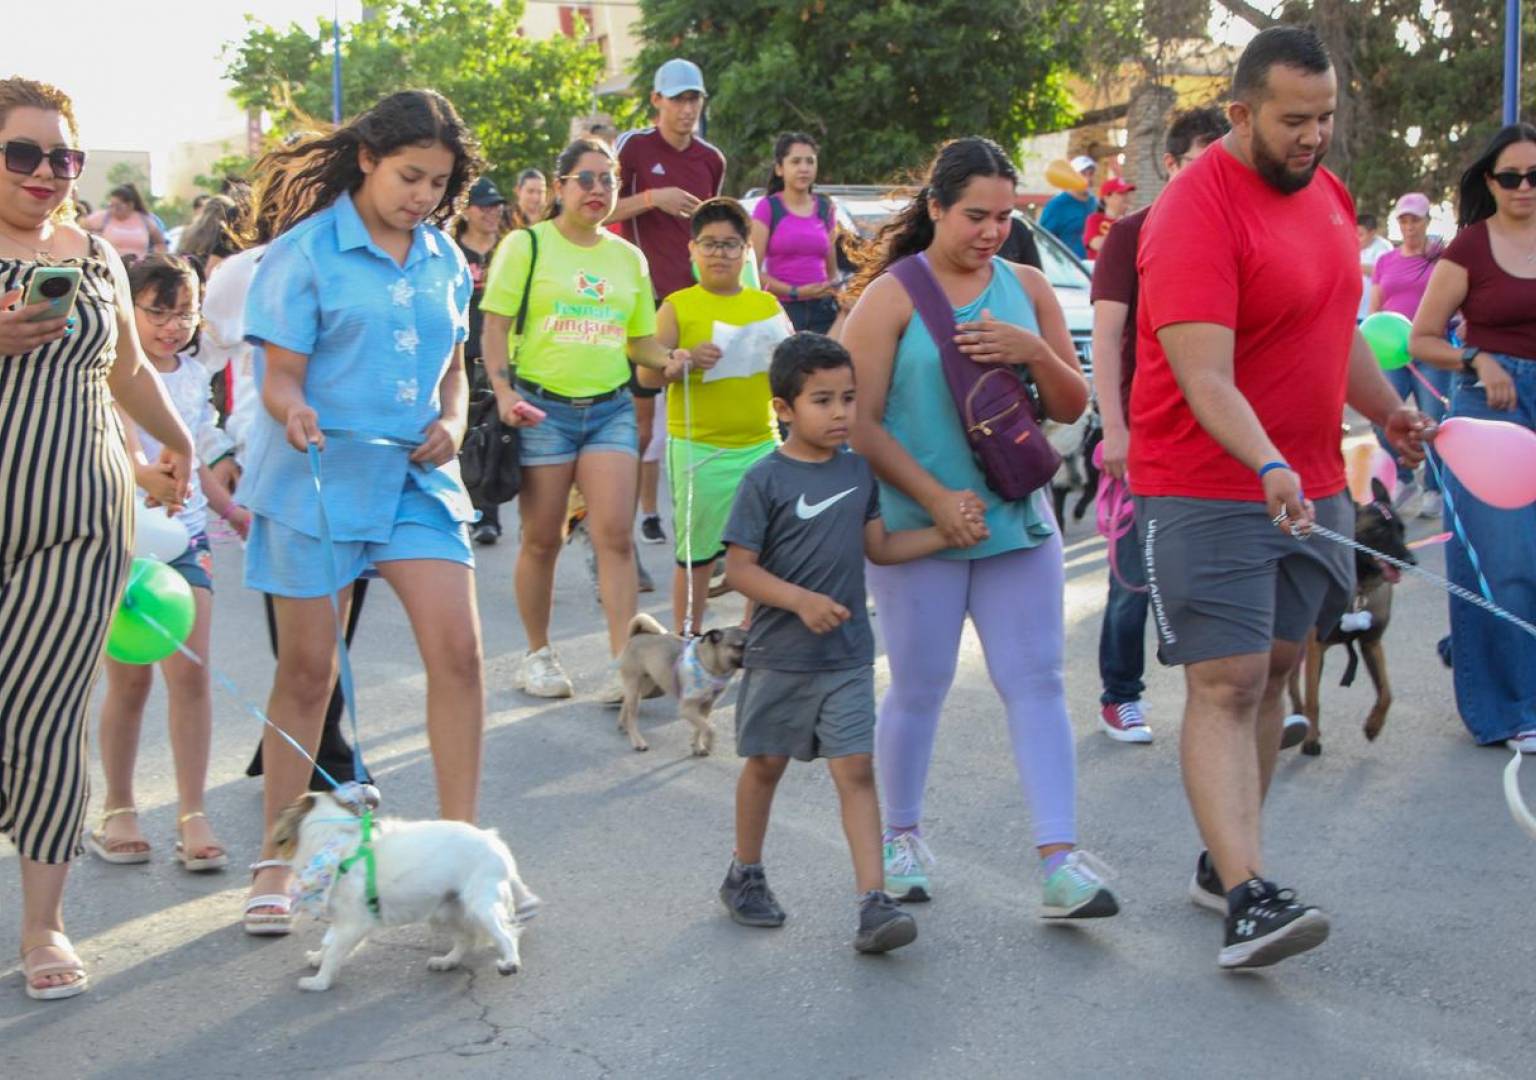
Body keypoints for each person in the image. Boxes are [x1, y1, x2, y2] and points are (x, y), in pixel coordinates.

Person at [1132, 27, 1430, 968]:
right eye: (1295, 120)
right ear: (1240, 113)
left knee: (1273, 668)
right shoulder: (1194, 212)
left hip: (1308, 483)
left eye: (1327, 117)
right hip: (1211, 484)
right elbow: (1204, 375)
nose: (1315, 137)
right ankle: (1251, 895)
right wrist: (1268, 465)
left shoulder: (1329, 196)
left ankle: (1227, 864)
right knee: (1225, 683)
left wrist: (1386, 413)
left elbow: (1334, 324)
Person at [843, 136, 1119, 920]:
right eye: (975, 215)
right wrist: (933, 499)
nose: (991, 231)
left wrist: (1034, 349)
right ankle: (900, 842)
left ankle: (1060, 863)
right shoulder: (893, 296)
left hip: (1016, 525)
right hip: (918, 530)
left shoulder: (1026, 287)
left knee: (1036, 684)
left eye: (1003, 216)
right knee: (919, 686)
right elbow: (856, 423)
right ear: (935, 208)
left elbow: (1072, 408)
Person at [238, 89, 487, 935]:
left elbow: (455, 371)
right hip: (318, 474)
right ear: (368, 160)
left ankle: (459, 859)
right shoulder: (305, 254)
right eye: (409, 176)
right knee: (307, 675)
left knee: (458, 654)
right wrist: (291, 410)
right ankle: (276, 861)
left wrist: (452, 422)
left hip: (415, 480)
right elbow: (280, 377)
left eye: (438, 183)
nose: (422, 196)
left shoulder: (446, 258)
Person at [0, 76, 194, 1000]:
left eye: (63, 157)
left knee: (41, 719)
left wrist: (179, 436)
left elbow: (122, 367)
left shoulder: (94, 256)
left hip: (78, 522)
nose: (47, 173)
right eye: (23, 154)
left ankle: (44, 926)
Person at [720, 332, 959, 952]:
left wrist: (943, 535)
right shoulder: (764, 479)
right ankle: (745, 873)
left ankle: (873, 904)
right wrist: (799, 600)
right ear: (783, 408)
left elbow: (878, 547)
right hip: (781, 656)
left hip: (848, 654)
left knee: (855, 769)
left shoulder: (858, 469)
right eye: (822, 400)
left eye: (848, 399)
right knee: (766, 765)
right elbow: (738, 569)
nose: (840, 413)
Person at [480, 137, 683, 701]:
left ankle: (627, 663)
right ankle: (538, 655)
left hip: (611, 408)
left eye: (608, 181)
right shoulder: (527, 246)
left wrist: (672, 359)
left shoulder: (628, 258)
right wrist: (502, 392)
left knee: (614, 536)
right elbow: (494, 327)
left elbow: (639, 342)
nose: (598, 191)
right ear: (561, 185)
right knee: (542, 539)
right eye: (586, 180)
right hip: (541, 409)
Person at [91, 255, 243, 872]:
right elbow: (114, 443)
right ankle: (118, 805)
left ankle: (191, 812)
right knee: (129, 679)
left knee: (192, 674)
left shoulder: (190, 375)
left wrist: (229, 508)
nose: (172, 326)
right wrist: (144, 474)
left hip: (184, 541)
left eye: (184, 314)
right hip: (122, 541)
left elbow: (196, 451)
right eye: (157, 312)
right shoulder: (105, 371)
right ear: (129, 311)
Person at [1089, 106, 1230, 746]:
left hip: (1219, 433)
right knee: (1135, 576)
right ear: (1170, 165)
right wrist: (1114, 430)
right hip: (1143, 433)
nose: (1216, 176)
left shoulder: (1235, 230)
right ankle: (1121, 695)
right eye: (1202, 161)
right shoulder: (1132, 234)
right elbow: (1107, 337)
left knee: (1226, 572)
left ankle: (1243, 693)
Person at [1407, 122, 1536, 753]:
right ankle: (1512, 707)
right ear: (1490, 181)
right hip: (1492, 404)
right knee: (1504, 560)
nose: (1524, 187)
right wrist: (1476, 356)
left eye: (1535, 176)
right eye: (1511, 176)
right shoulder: (1469, 248)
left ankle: (1485, 658)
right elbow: (1421, 338)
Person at [640, 197, 785, 634]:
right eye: (710, 244)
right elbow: (646, 378)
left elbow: (794, 369)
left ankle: (750, 636)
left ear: (746, 251)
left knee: (764, 552)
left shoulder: (767, 306)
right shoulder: (678, 306)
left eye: (730, 245)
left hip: (762, 444)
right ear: (692, 250)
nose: (720, 253)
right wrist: (678, 361)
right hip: (699, 450)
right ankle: (689, 637)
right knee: (697, 555)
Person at [610, 59, 727, 548]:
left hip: (695, 300)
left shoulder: (711, 159)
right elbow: (601, 210)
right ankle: (636, 516)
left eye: (694, 98)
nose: (687, 109)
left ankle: (699, 518)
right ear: (656, 100)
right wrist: (653, 197)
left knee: (698, 412)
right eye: (677, 98)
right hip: (643, 300)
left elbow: (716, 231)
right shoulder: (633, 148)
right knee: (643, 420)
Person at [1369, 192, 1450, 517]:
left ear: (1427, 221)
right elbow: (1376, 308)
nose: (1409, 226)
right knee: (1381, 416)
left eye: (1415, 219)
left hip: (1431, 349)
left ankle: (1433, 487)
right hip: (1393, 355)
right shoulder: (1386, 260)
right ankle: (1404, 479)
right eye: (1403, 220)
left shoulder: (1441, 257)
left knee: (1433, 420)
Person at [455, 176, 509, 544]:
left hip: (501, 360)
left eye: (496, 205)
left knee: (493, 440)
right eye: (484, 206)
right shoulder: (452, 252)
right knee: (463, 439)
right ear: (466, 209)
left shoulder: (510, 251)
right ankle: (463, 511)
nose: (492, 212)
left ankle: (487, 517)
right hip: (461, 358)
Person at [750, 132, 840, 334]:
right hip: (783, 310)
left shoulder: (826, 207)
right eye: (796, 162)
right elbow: (752, 273)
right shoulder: (768, 208)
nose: (804, 169)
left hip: (823, 310)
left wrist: (834, 293)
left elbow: (832, 272)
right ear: (780, 169)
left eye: (810, 161)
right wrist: (795, 292)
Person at [84, 182, 166, 258]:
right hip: (110, 266)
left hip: (139, 268)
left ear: (130, 205)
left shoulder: (145, 220)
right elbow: (82, 227)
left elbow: (160, 243)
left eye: (118, 207)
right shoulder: (103, 217)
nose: (113, 210)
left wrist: (156, 257)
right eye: (111, 206)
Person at [1038, 154, 1096, 258]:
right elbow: (1043, 239)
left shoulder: (1096, 203)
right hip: (1067, 269)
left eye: (1091, 174)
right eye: (1082, 173)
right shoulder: (1056, 205)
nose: (1087, 178)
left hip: (1093, 269)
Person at [1082, 176, 1133, 261]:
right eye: (1121, 193)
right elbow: (1096, 244)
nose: (1126, 197)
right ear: (1106, 198)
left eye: (1126, 193)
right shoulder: (1095, 219)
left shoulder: (1129, 222)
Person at [1356, 212, 1393, 321]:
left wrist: (1352, 267)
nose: (1356, 238)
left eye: (1360, 234)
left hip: (1370, 312)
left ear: (1372, 233)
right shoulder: (1356, 246)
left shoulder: (1383, 248)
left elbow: (1383, 272)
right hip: (1355, 309)